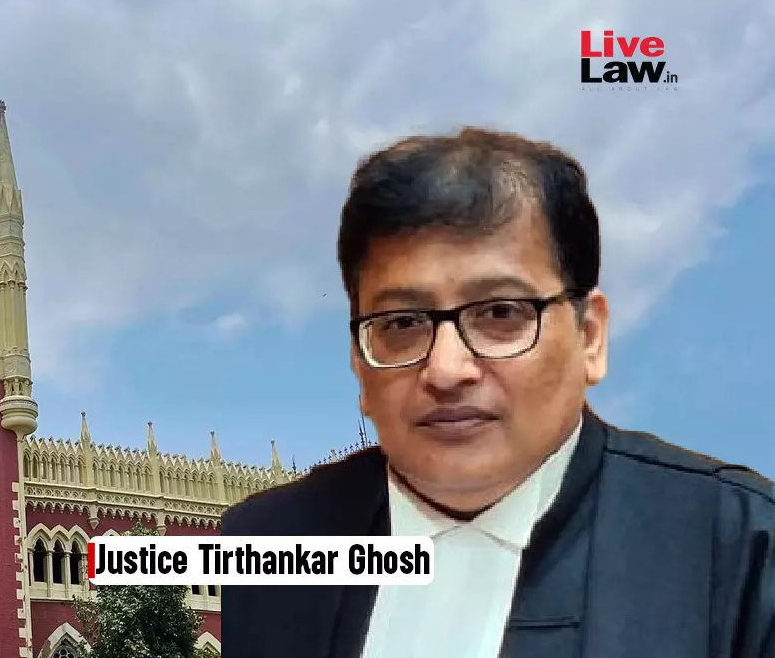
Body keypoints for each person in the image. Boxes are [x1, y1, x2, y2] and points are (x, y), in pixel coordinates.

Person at [221, 127, 775, 657]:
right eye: (402, 323)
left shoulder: (737, 550)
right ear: (358, 363)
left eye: (500, 314)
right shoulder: (274, 544)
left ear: (589, 336)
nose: (446, 369)